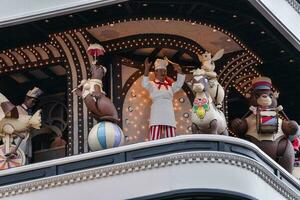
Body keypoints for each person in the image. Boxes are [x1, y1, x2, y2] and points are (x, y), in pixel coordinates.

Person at [142, 57, 185, 140]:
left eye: (165, 70)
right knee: (155, 135)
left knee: (171, 136)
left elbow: (179, 84)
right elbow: (144, 83)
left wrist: (179, 70)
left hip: (168, 112)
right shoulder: (152, 84)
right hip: (156, 112)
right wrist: (146, 69)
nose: (163, 72)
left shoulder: (170, 86)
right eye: (161, 70)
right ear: (156, 72)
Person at [14, 87, 43, 163]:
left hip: (27, 138)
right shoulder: (17, 109)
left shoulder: (29, 112)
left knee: (26, 158)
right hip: (18, 138)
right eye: (32, 101)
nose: (33, 104)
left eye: (35, 102)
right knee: (19, 157)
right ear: (26, 99)